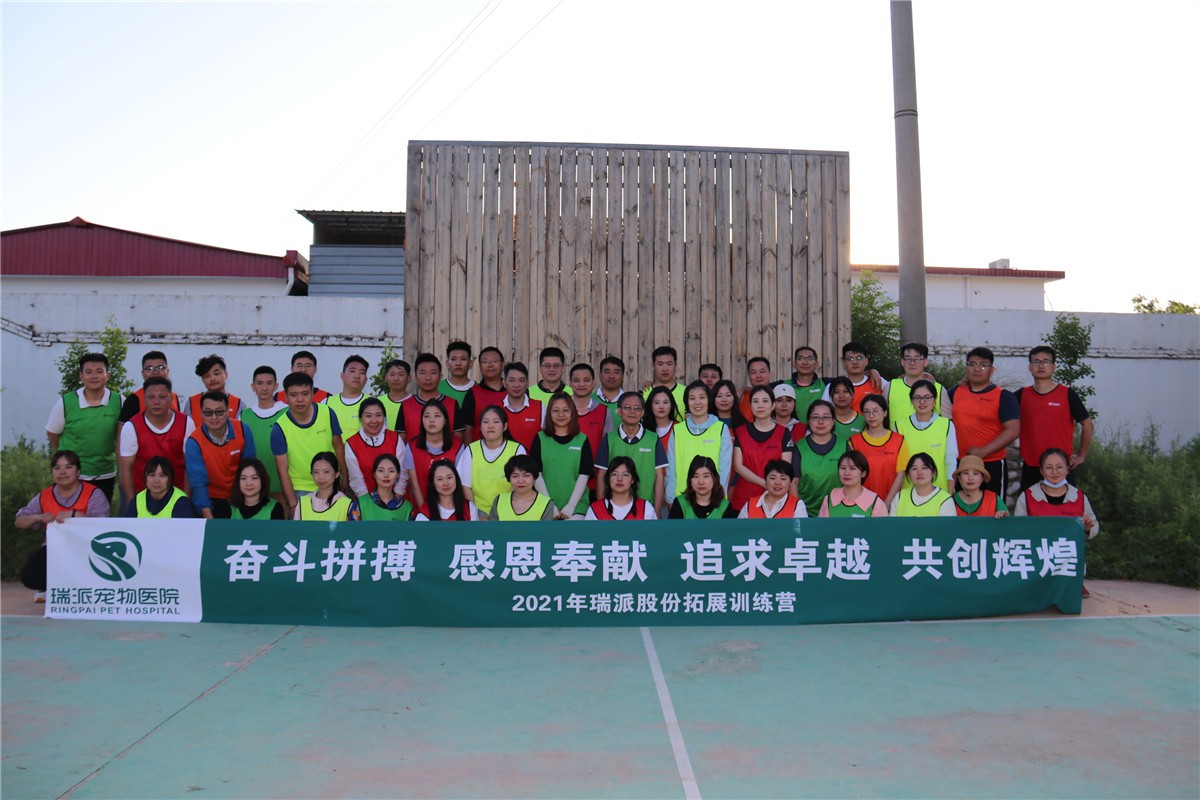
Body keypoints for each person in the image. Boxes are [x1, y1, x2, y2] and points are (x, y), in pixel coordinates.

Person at [15, 450, 111, 597]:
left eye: (68, 467)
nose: (62, 472)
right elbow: (19, 521)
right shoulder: (45, 495)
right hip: (55, 547)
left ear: (78, 472)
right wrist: (37, 517)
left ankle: (77, 591)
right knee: (30, 576)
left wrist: (74, 515)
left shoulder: (94, 493)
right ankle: (53, 589)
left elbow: (102, 525)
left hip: (88, 549)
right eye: (57, 468)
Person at [45, 351, 123, 504]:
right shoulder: (66, 402)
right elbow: (53, 433)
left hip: (105, 473)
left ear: (107, 375)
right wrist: (66, 458)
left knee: (100, 516)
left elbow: (124, 436)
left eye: (99, 371)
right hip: (71, 476)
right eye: (88, 372)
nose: (94, 376)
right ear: (81, 376)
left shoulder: (119, 401)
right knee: (68, 515)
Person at [1014, 345, 1095, 492]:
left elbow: (1087, 424)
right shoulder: (1021, 395)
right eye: (1036, 362)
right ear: (1030, 367)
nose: (1041, 366)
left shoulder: (1067, 394)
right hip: (1032, 466)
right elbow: (998, 411)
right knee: (1029, 506)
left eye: (1046, 361)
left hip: (1060, 467)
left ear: (1053, 367)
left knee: (1065, 506)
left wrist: (1081, 456)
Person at [947, 347, 1020, 498]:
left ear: (992, 370)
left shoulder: (1004, 396)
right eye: (972, 364)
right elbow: (932, 398)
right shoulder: (956, 392)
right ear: (966, 368)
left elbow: (1013, 430)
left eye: (983, 365)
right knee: (961, 507)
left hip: (992, 463)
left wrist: (983, 452)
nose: (977, 369)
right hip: (961, 463)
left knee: (993, 508)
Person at [271, 371, 345, 518]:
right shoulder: (279, 427)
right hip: (300, 489)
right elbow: (282, 470)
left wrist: (345, 478)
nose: (300, 399)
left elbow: (339, 447)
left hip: (331, 484)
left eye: (305, 394)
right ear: (286, 397)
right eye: (294, 395)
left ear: (312, 394)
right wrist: (293, 504)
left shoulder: (327, 413)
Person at [118, 376, 193, 501]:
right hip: (143, 494)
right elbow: (126, 469)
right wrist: (132, 503)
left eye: (162, 397)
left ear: (171, 399)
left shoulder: (186, 423)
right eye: (151, 397)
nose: (156, 402)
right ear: (144, 400)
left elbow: (189, 466)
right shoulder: (131, 426)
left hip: (177, 493)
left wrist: (185, 501)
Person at [595, 391, 668, 516]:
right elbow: (601, 476)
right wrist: (602, 510)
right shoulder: (608, 439)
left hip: (646, 507)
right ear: (619, 411)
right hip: (614, 508)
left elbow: (659, 476)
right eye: (627, 407)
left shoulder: (653, 439)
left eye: (637, 408)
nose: (632, 411)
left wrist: (656, 510)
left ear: (643, 412)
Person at [185, 390, 255, 519]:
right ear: (201, 413)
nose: (214, 417)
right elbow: (198, 483)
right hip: (210, 499)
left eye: (219, 412)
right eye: (208, 413)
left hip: (239, 495)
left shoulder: (243, 430)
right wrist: (209, 518)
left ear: (228, 411)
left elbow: (250, 469)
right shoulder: (194, 442)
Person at [730, 385, 795, 511]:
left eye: (765, 401)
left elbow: (785, 467)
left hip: (775, 497)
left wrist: (771, 484)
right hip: (744, 498)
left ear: (773, 405)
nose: (760, 405)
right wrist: (764, 483)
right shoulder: (741, 432)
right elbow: (738, 466)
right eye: (755, 401)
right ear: (750, 406)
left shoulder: (784, 433)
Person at [666, 381, 732, 500]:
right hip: (682, 499)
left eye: (702, 397)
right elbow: (671, 469)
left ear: (709, 400)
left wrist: (718, 496)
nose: (697, 402)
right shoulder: (677, 430)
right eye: (692, 398)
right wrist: (671, 498)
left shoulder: (721, 429)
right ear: (687, 402)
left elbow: (724, 469)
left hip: (713, 499)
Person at [457, 405, 527, 518]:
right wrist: (476, 514)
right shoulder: (471, 450)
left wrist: (504, 511)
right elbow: (465, 486)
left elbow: (520, 484)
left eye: (496, 422)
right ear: (480, 427)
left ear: (505, 426)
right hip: (478, 511)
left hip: (510, 510)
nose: (490, 426)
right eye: (485, 422)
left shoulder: (517, 449)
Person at [531, 393, 593, 519]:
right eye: (556, 411)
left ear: (572, 413)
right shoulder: (540, 439)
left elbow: (584, 475)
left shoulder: (582, 439)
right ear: (549, 413)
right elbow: (536, 475)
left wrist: (571, 506)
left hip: (577, 505)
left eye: (565, 410)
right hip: (545, 503)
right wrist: (550, 505)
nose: (561, 415)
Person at [1014, 448, 1099, 536]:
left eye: (1059, 467)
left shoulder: (1079, 497)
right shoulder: (1027, 496)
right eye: (1049, 467)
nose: (1054, 472)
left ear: (1067, 469)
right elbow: (1017, 528)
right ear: (1041, 471)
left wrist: (1087, 528)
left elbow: (1093, 525)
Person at [893, 379, 958, 494]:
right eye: (917, 398)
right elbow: (897, 465)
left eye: (927, 397)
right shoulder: (899, 426)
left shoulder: (946, 425)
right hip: (908, 492)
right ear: (911, 400)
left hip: (940, 491)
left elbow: (951, 462)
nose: (922, 402)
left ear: (935, 400)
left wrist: (950, 493)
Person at [239, 366, 288, 507]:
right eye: (259, 383)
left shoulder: (286, 412)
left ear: (276, 386)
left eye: (269, 383)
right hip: (253, 486)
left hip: (282, 484)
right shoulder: (244, 415)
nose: (264, 388)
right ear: (253, 386)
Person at [404, 399, 464, 510]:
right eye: (427, 416)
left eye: (437, 416)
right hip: (421, 508)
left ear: (445, 420)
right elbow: (415, 485)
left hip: (451, 509)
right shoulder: (412, 446)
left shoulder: (458, 446)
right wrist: (425, 513)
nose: (431, 420)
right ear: (422, 420)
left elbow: (460, 483)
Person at [848, 394, 905, 507]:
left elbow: (901, 474)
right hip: (862, 504)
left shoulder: (899, 440)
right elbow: (851, 474)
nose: (871, 415)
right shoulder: (854, 441)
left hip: (892, 504)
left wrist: (887, 503)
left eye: (876, 411)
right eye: (867, 412)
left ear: (885, 413)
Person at [345, 398, 407, 498]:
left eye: (378, 415)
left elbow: (403, 472)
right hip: (365, 499)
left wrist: (396, 497)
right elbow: (356, 480)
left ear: (384, 417)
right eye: (368, 416)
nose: (374, 421)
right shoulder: (352, 443)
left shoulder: (395, 438)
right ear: (360, 418)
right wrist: (368, 503)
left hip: (396, 498)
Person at [793, 400, 846, 513]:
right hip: (806, 512)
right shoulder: (799, 448)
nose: (820, 422)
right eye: (815, 417)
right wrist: (798, 511)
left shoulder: (844, 446)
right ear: (809, 421)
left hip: (837, 511)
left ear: (833, 421)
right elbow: (794, 483)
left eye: (826, 417)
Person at [397, 353, 464, 442]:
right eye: (423, 373)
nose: (428, 378)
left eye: (433, 373)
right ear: (416, 377)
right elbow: (400, 442)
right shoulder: (406, 405)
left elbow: (458, 441)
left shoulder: (452, 404)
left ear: (440, 376)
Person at [884, 342, 950, 423]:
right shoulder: (890, 387)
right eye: (908, 359)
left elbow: (948, 422)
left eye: (917, 359)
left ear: (925, 362)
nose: (912, 363)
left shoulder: (938, 389)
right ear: (902, 362)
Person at [819, 451, 889, 518]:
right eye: (843, 468)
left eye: (852, 468)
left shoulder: (875, 502)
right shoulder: (829, 499)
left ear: (863, 473)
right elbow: (821, 526)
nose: (846, 473)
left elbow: (883, 526)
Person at [488, 454, 558, 521]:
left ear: (534, 478)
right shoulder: (499, 500)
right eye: (515, 476)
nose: (520, 481)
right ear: (509, 478)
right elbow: (492, 528)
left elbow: (545, 529)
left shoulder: (546, 503)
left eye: (526, 475)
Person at [123, 456, 196, 518]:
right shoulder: (137, 501)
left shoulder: (182, 503)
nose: (156, 480)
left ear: (170, 479)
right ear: (145, 477)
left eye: (162, 476)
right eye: (152, 475)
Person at [348, 453, 415, 521]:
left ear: (398, 475)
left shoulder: (407, 508)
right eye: (381, 470)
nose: (386, 475)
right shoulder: (360, 503)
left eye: (391, 471)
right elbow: (351, 527)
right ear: (374, 474)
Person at [668, 455, 738, 519]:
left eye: (706, 476)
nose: (701, 482)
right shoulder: (680, 504)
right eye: (696, 476)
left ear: (714, 479)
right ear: (690, 480)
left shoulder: (725, 507)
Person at [119, 350, 181, 422]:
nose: (155, 372)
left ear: (167, 371)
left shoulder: (174, 397)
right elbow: (123, 428)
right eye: (149, 368)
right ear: (142, 374)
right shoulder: (134, 399)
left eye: (160, 368)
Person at [586, 457, 656, 520]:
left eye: (625, 475)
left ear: (633, 479)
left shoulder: (646, 508)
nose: (619, 479)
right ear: (608, 478)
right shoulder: (595, 510)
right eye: (614, 474)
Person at [459, 346, 506, 439]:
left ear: (502, 365)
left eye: (495, 361)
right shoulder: (473, 393)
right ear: (480, 367)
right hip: (480, 447)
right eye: (485, 361)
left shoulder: (513, 391)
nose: (490, 365)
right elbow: (467, 429)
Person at [890, 453, 955, 517]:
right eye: (914, 468)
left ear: (933, 472)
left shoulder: (945, 500)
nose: (919, 472)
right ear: (908, 474)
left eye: (924, 468)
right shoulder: (900, 497)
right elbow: (892, 523)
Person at [738, 460, 808, 519]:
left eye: (783, 479)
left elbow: (801, 530)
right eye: (772, 478)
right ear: (765, 480)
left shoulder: (797, 505)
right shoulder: (750, 504)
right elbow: (740, 529)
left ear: (790, 482)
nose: (777, 483)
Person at [569, 363, 611, 462]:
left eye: (586, 380)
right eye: (576, 380)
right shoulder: (560, 409)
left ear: (593, 382)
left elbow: (608, 446)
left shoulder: (604, 411)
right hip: (564, 468)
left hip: (594, 469)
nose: (581, 384)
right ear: (570, 383)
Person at [293, 451, 351, 521]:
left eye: (326, 472)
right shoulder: (303, 502)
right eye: (316, 472)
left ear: (336, 474)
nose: (321, 477)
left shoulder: (347, 504)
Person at [821, 341, 876, 413]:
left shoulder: (878, 382)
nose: (855, 362)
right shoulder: (832, 386)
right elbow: (824, 413)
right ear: (843, 363)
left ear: (866, 361)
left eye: (859, 358)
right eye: (850, 359)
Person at [322, 355, 369, 437]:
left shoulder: (373, 404)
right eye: (352, 371)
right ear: (342, 375)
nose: (357, 376)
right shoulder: (326, 403)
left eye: (362, 373)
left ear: (366, 379)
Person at [500, 362, 544, 450]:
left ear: (527, 383)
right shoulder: (495, 408)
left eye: (521, 380)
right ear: (504, 383)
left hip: (532, 458)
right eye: (512, 380)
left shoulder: (540, 407)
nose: (516, 385)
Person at [414, 461, 478, 521]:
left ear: (456, 478)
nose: (446, 483)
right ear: (432, 483)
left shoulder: (469, 508)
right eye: (440, 479)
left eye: (449, 477)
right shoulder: (425, 513)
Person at [187, 354, 242, 424]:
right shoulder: (191, 403)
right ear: (202, 379)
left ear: (226, 375)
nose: (212, 379)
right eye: (207, 376)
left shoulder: (238, 404)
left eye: (216, 374)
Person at [786, 345, 827, 421]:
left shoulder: (826, 384)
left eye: (810, 359)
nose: (805, 363)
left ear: (817, 364)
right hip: (792, 428)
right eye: (800, 359)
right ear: (794, 364)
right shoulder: (783, 385)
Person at [643, 345, 686, 411]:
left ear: (675, 365)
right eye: (660, 364)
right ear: (653, 366)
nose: (665, 369)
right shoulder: (644, 393)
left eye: (669, 364)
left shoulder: (686, 393)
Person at [645, 385, 683, 453]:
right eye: (657, 403)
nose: (661, 406)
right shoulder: (643, 430)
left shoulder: (679, 428)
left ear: (671, 405)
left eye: (665, 402)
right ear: (650, 405)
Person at [376, 358, 412, 431]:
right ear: (385, 378)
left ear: (409, 378)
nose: (396, 379)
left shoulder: (415, 402)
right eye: (392, 374)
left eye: (401, 374)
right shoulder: (377, 402)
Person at [437, 340, 476, 406]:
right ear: (447, 364)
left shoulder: (478, 389)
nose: (458, 363)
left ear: (470, 363)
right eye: (453, 359)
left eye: (463, 359)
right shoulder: (438, 388)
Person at [737, 356, 776, 421]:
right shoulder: (742, 397)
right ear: (749, 376)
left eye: (762, 371)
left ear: (770, 374)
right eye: (753, 372)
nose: (758, 376)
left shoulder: (779, 395)